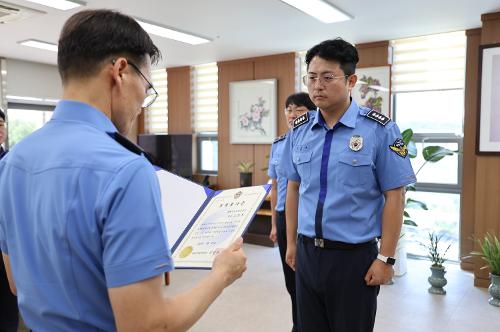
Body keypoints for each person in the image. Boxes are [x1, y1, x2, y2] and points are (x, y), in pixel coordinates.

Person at [0, 9, 246, 331]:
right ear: (120, 71)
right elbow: (149, 326)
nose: (142, 102)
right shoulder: (127, 170)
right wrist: (221, 275)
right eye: (146, 88)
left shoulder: (11, 162)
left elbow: (17, 283)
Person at [282, 38, 416, 332]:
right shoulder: (300, 131)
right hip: (307, 253)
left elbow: (395, 195)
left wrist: (386, 258)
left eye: (328, 77)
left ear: (351, 80)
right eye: (312, 77)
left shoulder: (380, 129)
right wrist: (291, 243)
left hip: (352, 258)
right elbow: (293, 187)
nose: (317, 86)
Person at [267, 92, 315, 332]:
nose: (293, 114)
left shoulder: (315, 140)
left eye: (300, 110)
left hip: (307, 219)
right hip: (284, 216)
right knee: (291, 279)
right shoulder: (278, 144)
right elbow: (275, 186)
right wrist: (275, 224)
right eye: (289, 109)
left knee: (306, 279)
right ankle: (299, 324)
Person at [0, 108, 19, 332]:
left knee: (8, 310)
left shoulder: (12, 160)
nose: (1, 130)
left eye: (2, 125)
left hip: (6, 245)